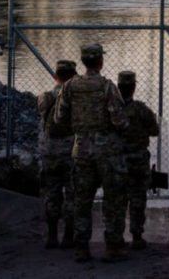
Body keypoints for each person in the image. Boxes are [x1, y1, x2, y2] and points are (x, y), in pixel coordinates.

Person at [54, 43, 129, 262]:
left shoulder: (69, 86)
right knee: (113, 199)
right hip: (107, 150)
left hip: (81, 149)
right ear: (100, 62)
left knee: (82, 199)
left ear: (83, 61)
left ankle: (82, 247)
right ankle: (113, 246)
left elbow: (59, 118)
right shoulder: (107, 87)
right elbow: (120, 120)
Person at [37, 60, 78, 249]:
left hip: (50, 152)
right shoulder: (76, 100)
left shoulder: (44, 97)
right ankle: (68, 236)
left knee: (52, 194)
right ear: (74, 77)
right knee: (72, 194)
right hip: (71, 153)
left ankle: (52, 236)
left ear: (56, 76)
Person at [117, 71, 160, 250]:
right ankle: (136, 235)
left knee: (116, 199)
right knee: (138, 198)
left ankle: (116, 235)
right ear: (134, 87)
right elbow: (154, 130)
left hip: (117, 159)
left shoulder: (111, 109)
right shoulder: (142, 110)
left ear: (118, 88)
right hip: (138, 159)